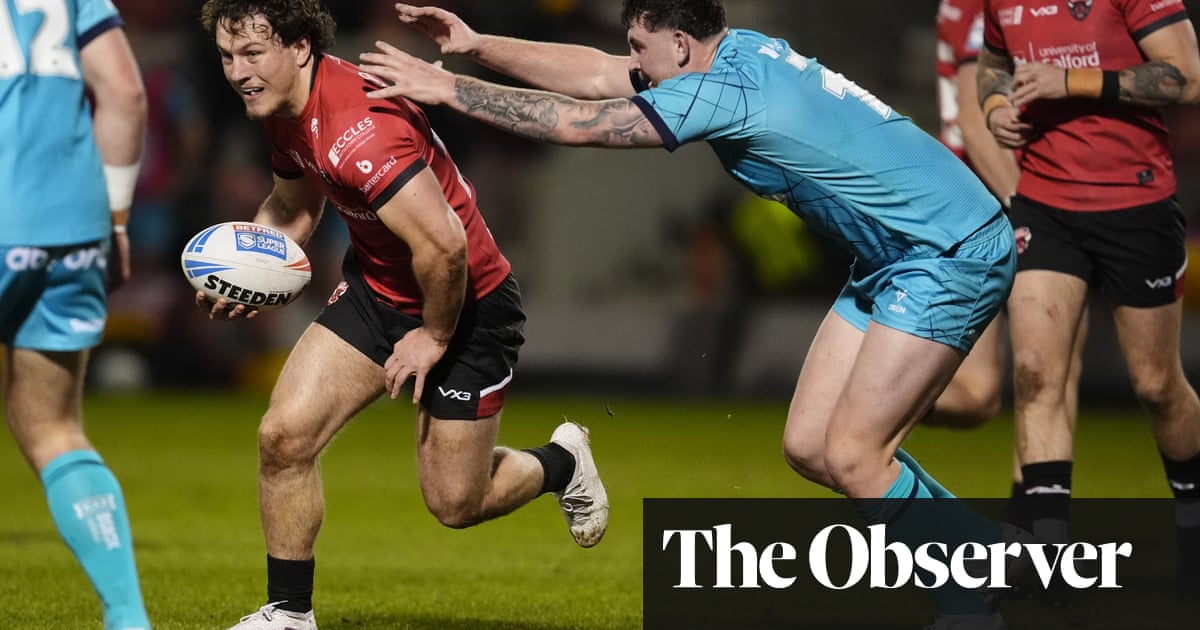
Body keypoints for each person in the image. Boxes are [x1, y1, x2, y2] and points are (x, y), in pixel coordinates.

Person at [362, 1, 1019, 627]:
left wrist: (449, 89)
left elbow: (575, 122)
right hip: (894, 254)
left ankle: (969, 606)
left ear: (679, 44)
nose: (634, 64)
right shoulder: (738, 54)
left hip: (945, 251)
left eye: (640, 48)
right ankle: (990, 556)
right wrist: (478, 46)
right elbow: (597, 73)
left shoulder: (722, 93)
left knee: (853, 455)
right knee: (811, 445)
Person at [196, 2, 608, 629]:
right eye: (228, 56)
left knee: (456, 503)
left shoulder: (360, 129)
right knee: (284, 437)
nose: (238, 72)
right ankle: (288, 615)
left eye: (252, 54)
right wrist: (250, 269)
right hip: (378, 292)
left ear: (299, 47)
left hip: (466, 304)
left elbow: (445, 249)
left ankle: (563, 462)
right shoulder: (283, 106)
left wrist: (433, 336)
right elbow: (293, 202)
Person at [977, 0, 1200, 601]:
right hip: (1044, 205)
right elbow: (991, 66)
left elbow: (1187, 75)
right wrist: (995, 107)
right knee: (1034, 372)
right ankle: (1049, 556)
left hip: (1137, 205)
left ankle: (1191, 519)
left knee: (1156, 385)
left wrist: (1071, 81)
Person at [0, 0, 150, 628]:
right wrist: (115, 221)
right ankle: (127, 616)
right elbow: (124, 93)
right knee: (54, 429)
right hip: (73, 226)